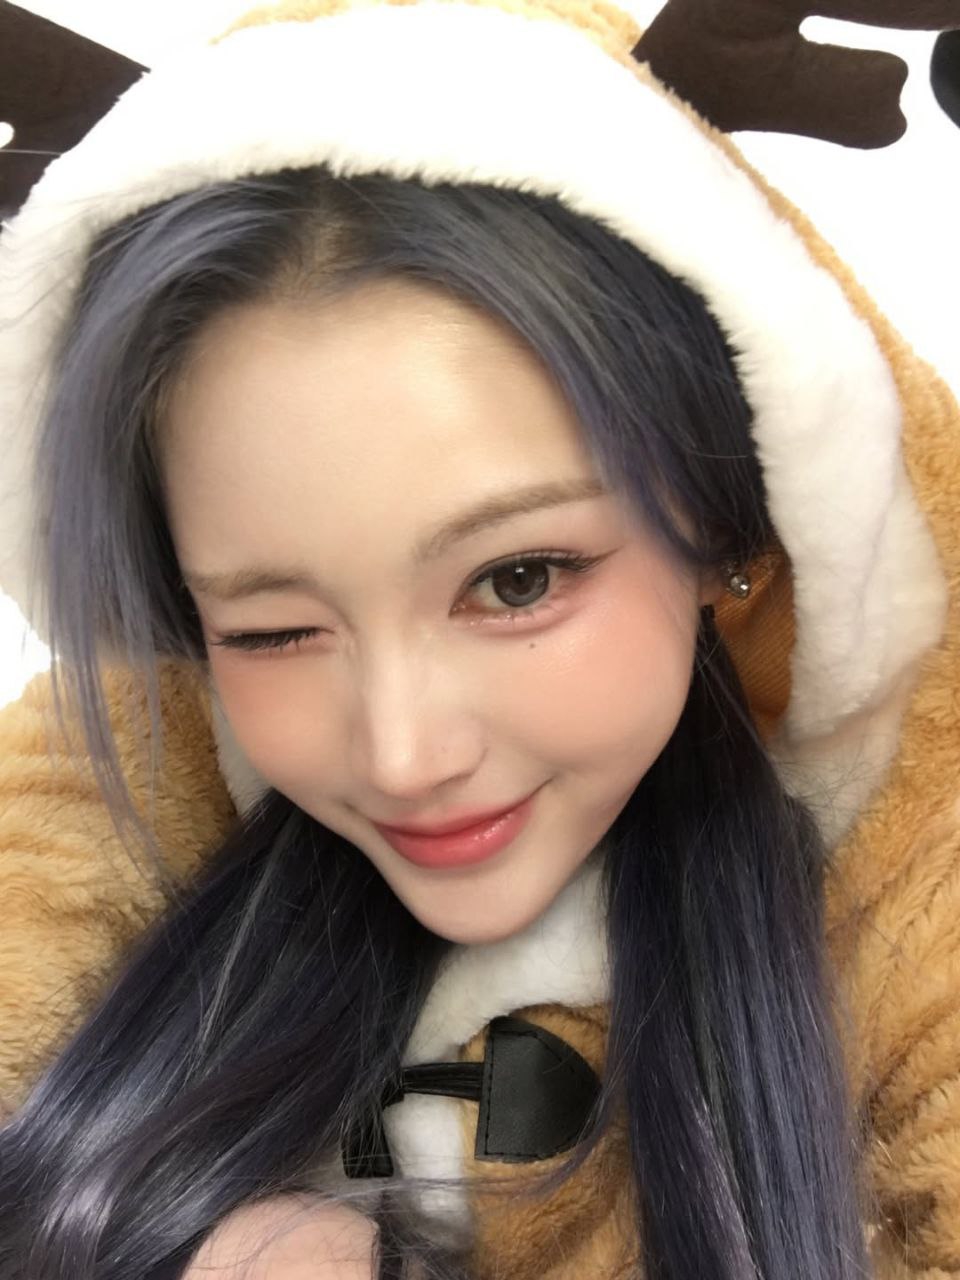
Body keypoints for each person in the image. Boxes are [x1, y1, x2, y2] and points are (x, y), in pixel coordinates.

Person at [0, 1, 958, 1277]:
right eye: (274, 627)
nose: (404, 755)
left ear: (731, 529)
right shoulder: (135, 753)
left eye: (517, 579)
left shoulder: (920, 874)